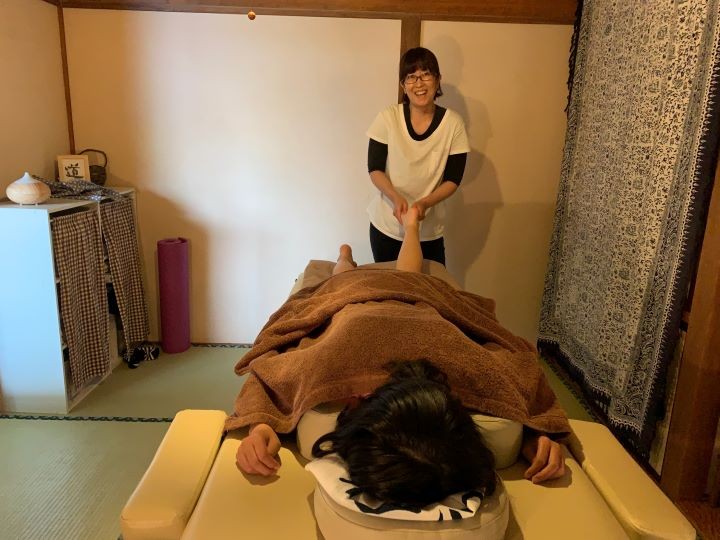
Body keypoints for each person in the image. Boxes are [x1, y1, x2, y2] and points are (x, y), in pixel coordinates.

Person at [236, 208, 566, 506]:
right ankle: (387, 236)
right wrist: (537, 434)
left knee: (349, 277)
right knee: (402, 275)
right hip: (408, 296)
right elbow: (524, 372)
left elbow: (270, 372)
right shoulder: (474, 373)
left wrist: (261, 426)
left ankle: (364, 248)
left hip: (356, 296)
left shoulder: (326, 369)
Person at [366, 47, 469, 266]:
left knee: (429, 285)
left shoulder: (453, 124)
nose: (419, 83)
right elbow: (374, 169)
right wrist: (395, 197)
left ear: (437, 80)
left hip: (429, 231)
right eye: (411, 77)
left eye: (426, 75)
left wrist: (425, 203)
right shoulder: (387, 118)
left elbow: (453, 178)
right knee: (389, 285)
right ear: (403, 85)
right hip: (387, 226)